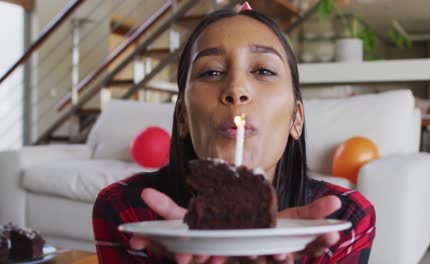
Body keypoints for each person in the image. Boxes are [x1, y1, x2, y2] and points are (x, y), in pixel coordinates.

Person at [92, 6, 376, 264]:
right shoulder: (125, 210)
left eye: (263, 70)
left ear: (296, 119)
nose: (236, 89)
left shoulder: (344, 219)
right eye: (212, 72)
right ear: (182, 118)